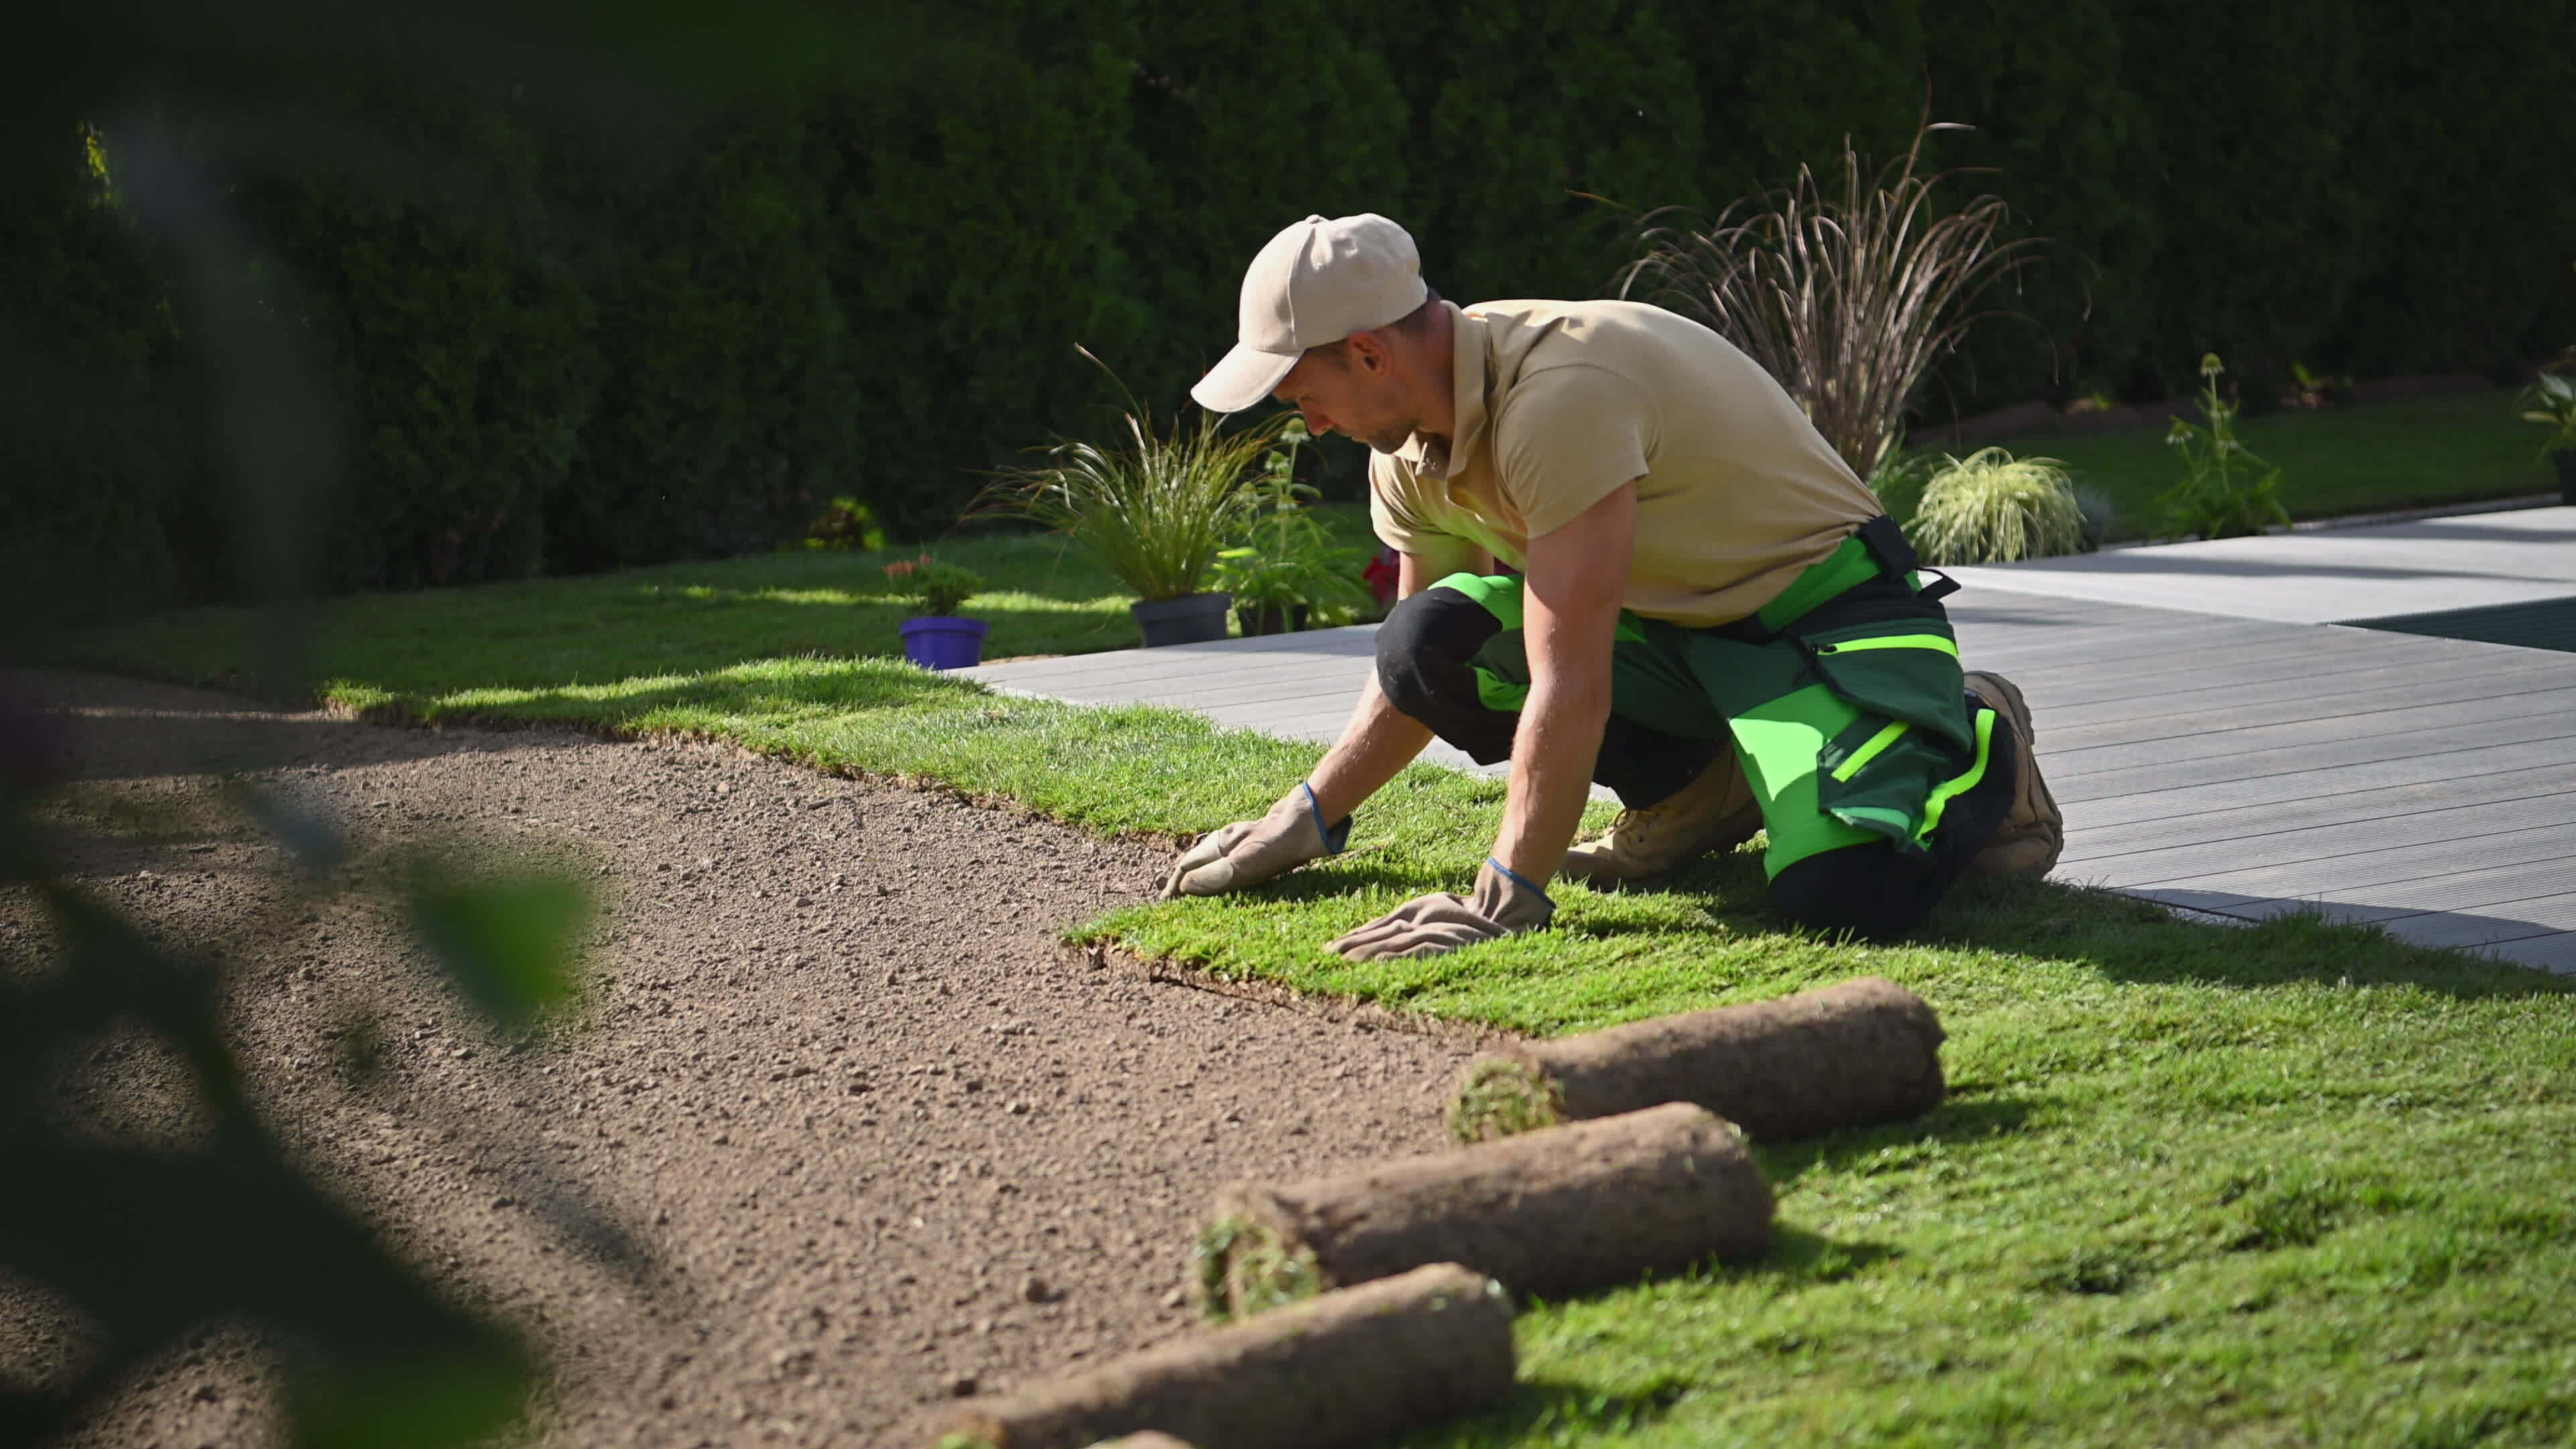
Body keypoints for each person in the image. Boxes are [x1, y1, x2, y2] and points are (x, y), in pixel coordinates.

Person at [1162, 213, 2060, 959]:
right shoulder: (1403, 449)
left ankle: (1978, 736)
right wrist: (1309, 815)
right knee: (1426, 644)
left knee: (1846, 893)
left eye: (1297, 392)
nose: (1302, 419)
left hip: (1822, 626)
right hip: (1678, 638)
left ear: (1366, 353)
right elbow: (1414, 666)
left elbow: (1572, 674)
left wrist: (1506, 894)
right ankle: (1703, 784)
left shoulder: (1562, 396)